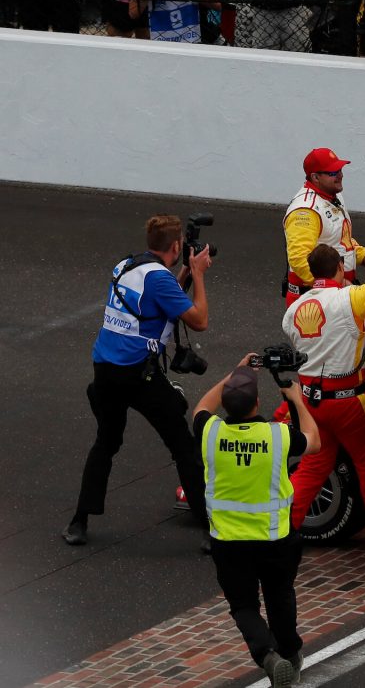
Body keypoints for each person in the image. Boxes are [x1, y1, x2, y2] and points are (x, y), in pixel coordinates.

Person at [62, 215, 214, 547]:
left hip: (104, 370)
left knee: (106, 442)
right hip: (139, 375)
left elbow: (157, 294)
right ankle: (209, 528)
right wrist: (198, 274)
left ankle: (78, 522)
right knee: (182, 446)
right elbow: (199, 320)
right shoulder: (160, 280)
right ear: (176, 246)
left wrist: (184, 272)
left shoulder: (125, 266)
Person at [194, 356, 321, 688]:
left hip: (229, 541)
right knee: (280, 596)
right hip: (275, 538)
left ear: (226, 403)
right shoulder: (277, 435)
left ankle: (267, 655)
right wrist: (296, 398)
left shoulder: (210, 432)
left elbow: (200, 408)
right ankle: (291, 653)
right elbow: (314, 439)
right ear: (257, 402)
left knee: (243, 605)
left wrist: (234, 371)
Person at [282, 233, 365, 548]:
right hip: (348, 400)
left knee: (312, 468)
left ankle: (280, 535)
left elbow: (352, 325)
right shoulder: (349, 298)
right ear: (341, 267)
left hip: (311, 402)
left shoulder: (293, 310)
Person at [283, 147, 365, 306]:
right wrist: (332, 286)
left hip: (337, 293)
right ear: (315, 177)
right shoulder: (305, 211)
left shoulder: (333, 196)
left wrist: (361, 256)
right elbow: (299, 259)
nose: (340, 175)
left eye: (340, 169)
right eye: (333, 172)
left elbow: (338, 237)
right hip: (316, 300)